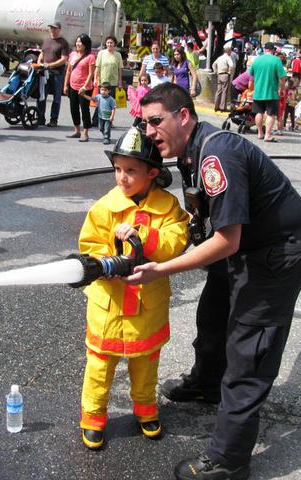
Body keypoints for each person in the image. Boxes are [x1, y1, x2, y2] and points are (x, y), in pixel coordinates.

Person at [129, 83, 301, 480]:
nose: (149, 131)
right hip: (244, 246)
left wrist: (162, 269)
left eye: (155, 121)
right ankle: (207, 383)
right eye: (144, 123)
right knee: (213, 313)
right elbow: (205, 218)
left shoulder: (216, 152)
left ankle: (229, 460)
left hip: (277, 253)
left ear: (184, 116)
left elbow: (226, 239)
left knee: (249, 351)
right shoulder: (188, 152)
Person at [78, 125, 189, 450]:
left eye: (130, 170)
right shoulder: (103, 209)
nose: (121, 177)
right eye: (117, 169)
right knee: (99, 365)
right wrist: (108, 258)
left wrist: (145, 237)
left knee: (146, 363)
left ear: (153, 172)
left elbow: (176, 240)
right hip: (108, 306)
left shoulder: (168, 207)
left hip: (146, 308)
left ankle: (145, 409)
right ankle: (93, 417)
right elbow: (89, 246)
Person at [248, 41, 286, 142]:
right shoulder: (276, 60)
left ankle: (260, 133)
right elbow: (282, 77)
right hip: (271, 92)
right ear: (273, 50)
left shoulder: (257, 60)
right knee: (271, 114)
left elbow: (251, 75)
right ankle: (267, 135)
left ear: (265, 49)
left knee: (258, 113)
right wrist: (282, 88)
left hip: (258, 92)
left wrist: (250, 87)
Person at [36, 22, 70, 127]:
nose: (52, 30)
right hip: (44, 72)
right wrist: (39, 62)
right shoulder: (46, 40)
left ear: (59, 29)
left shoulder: (63, 43)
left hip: (57, 74)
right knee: (42, 95)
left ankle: (53, 120)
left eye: (55, 28)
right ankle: (40, 118)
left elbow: (64, 59)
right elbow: (42, 53)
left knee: (56, 97)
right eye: (51, 28)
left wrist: (50, 65)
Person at [63, 33, 95, 142]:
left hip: (84, 88)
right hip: (73, 86)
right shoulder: (72, 54)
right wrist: (65, 85)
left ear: (85, 44)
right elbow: (68, 70)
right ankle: (77, 131)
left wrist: (85, 87)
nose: (78, 44)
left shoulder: (90, 57)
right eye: (77, 42)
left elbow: (91, 74)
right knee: (73, 108)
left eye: (80, 42)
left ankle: (85, 133)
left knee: (84, 110)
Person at [212, 46, 235, 112]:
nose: (231, 52)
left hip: (219, 75)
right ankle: (222, 107)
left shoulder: (220, 57)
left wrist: (215, 71)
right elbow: (232, 65)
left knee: (218, 91)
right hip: (225, 74)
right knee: (224, 91)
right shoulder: (228, 58)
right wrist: (229, 72)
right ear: (228, 51)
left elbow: (214, 64)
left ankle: (216, 106)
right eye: (230, 51)